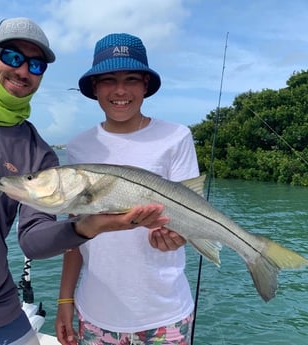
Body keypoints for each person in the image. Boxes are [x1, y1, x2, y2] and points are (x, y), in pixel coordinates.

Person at [0, 19, 168, 345]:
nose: (23, 71)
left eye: (35, 65)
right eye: (12, 56)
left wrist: (86, 228)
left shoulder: (39, 153)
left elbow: (32, 241)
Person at [55, 33, 200, 345]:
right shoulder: (79, 148)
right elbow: (75, 234)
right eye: (108, 79)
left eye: (131, 78)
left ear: (145, 84)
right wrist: (64, 301)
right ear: (95, 87)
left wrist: (179, 238)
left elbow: (192, 216)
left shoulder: (176, 137)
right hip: (94, 314)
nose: (120, 90)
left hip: (166, 315)